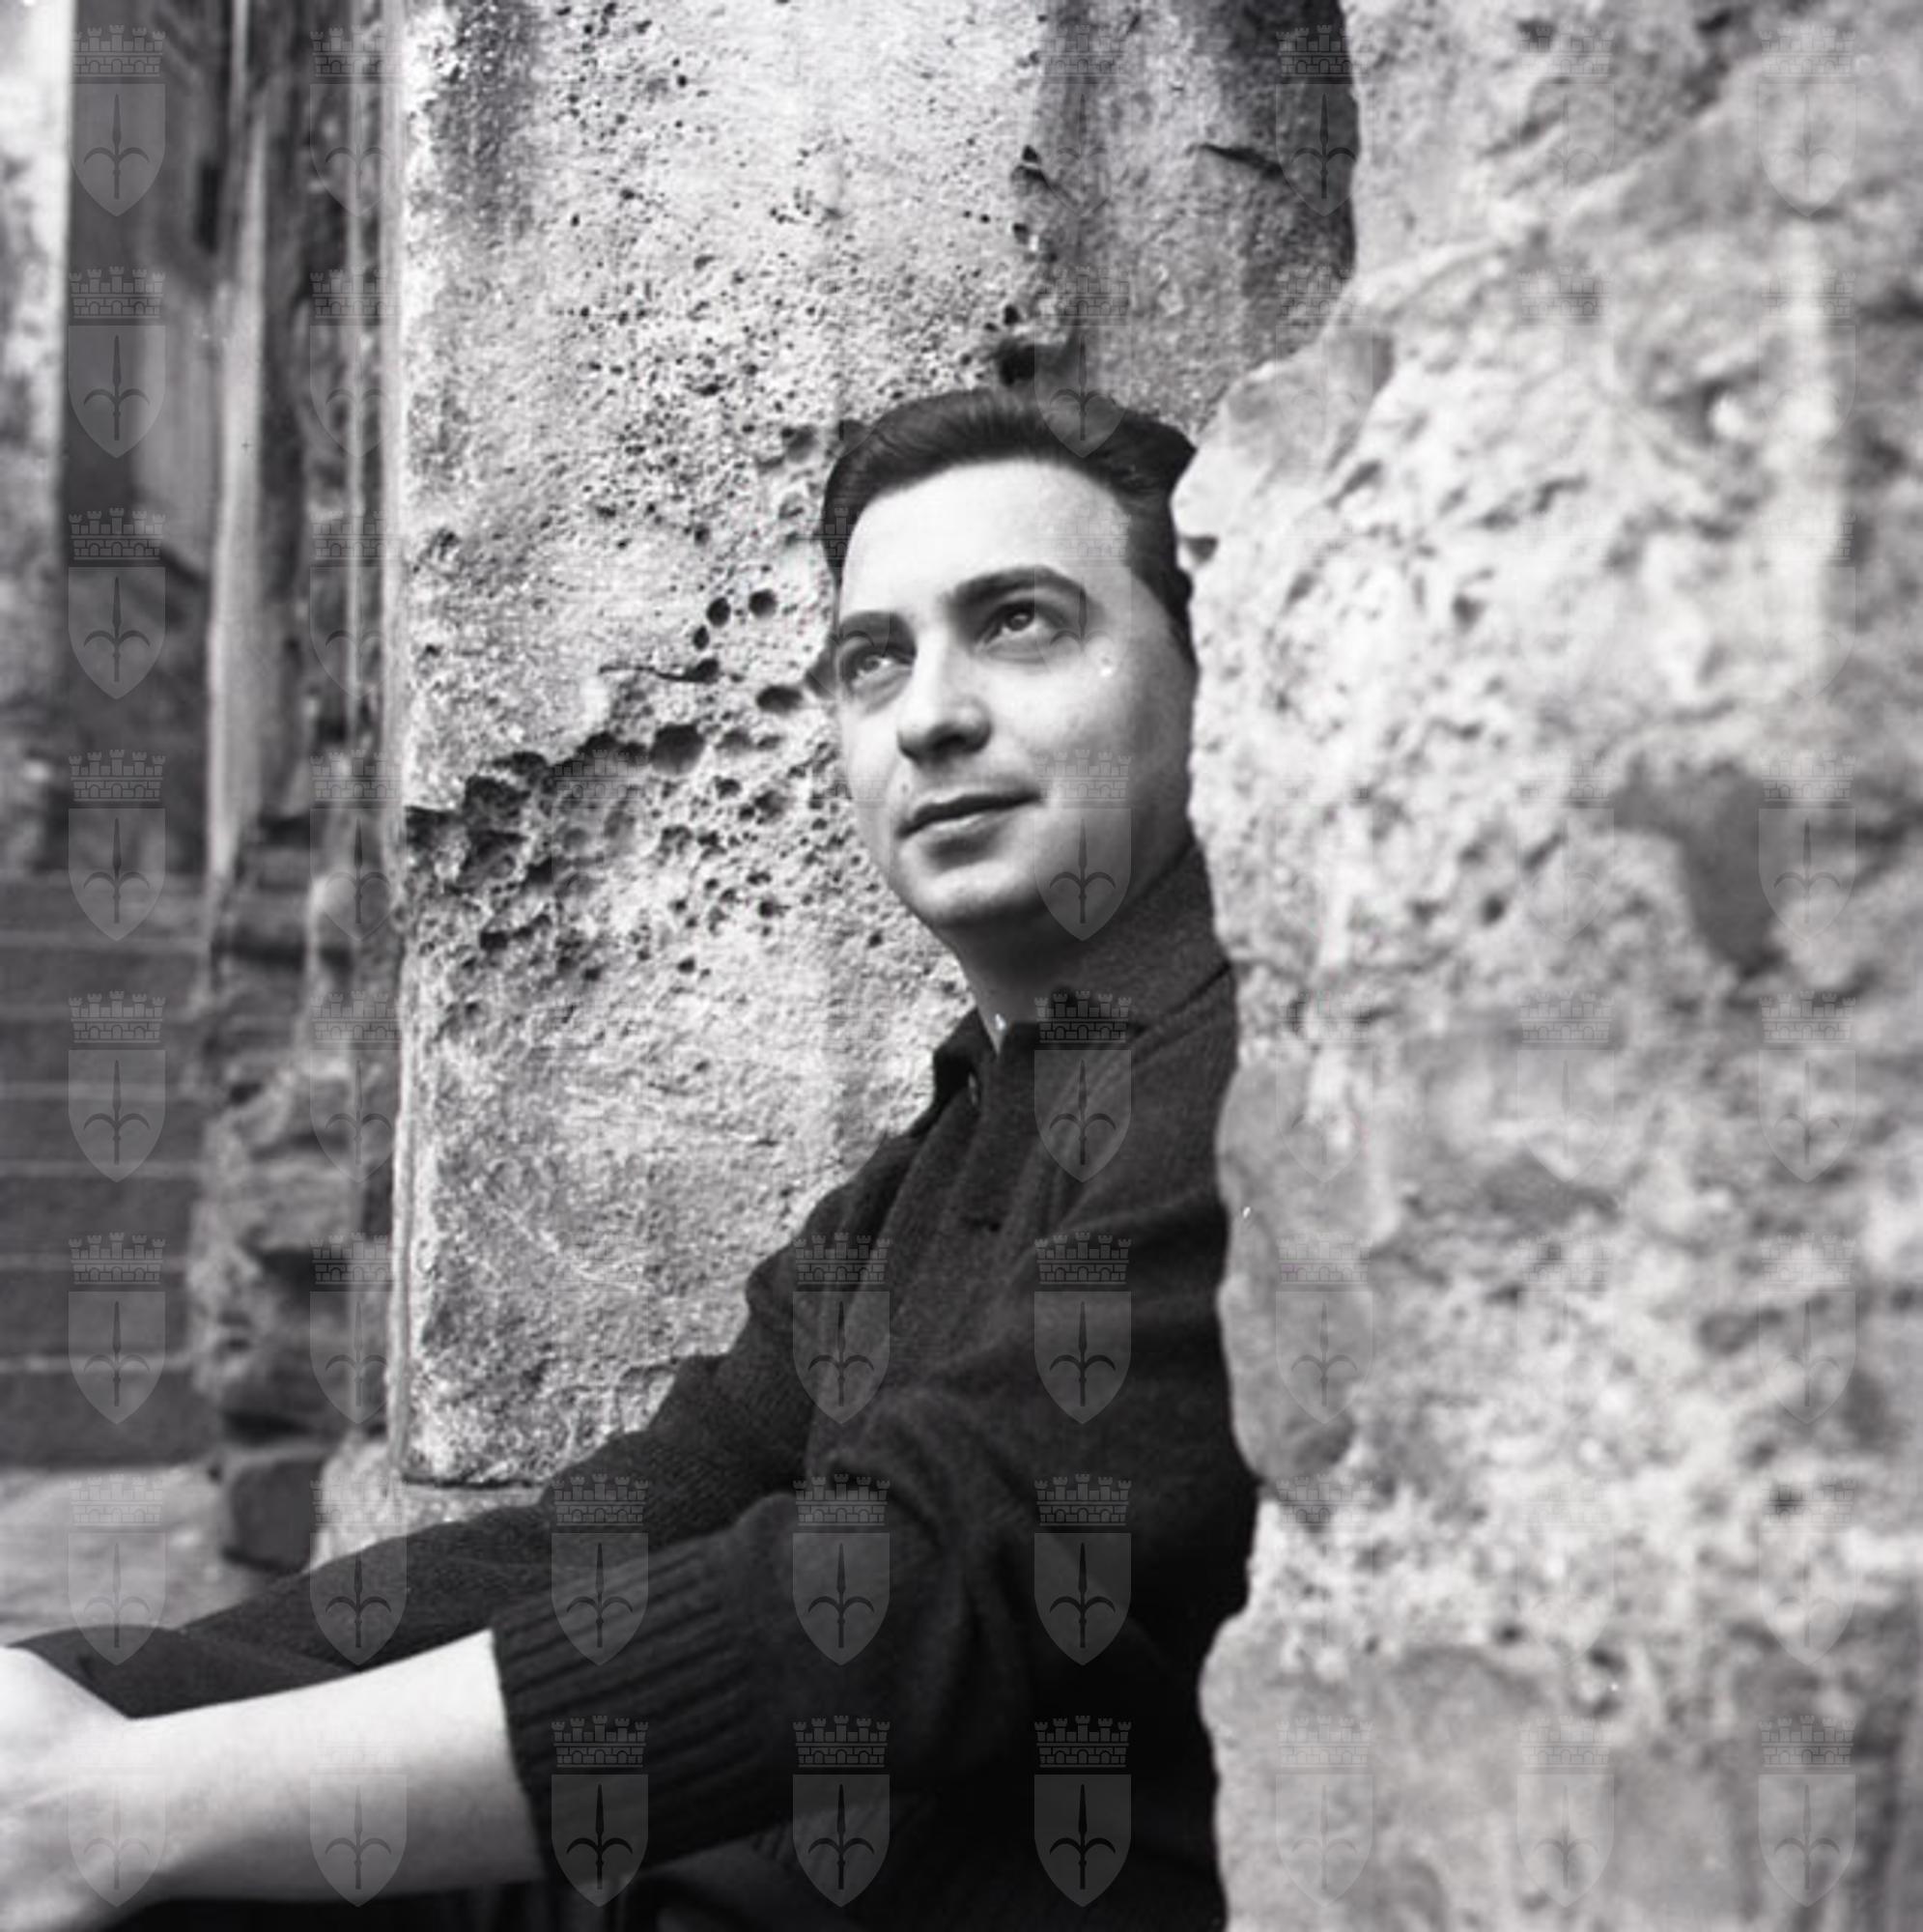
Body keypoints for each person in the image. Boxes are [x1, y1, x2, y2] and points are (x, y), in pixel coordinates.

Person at [1, 383, 1258, 1929]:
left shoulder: (1248, 1071)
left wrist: (124, 1809)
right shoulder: (953, 1148)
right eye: (876, 658)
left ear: (1212, 671)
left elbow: (911, 1585)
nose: (932, 714)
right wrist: (85, 1708)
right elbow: (614, 1536)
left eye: (1019, 624)